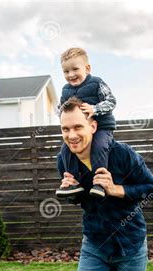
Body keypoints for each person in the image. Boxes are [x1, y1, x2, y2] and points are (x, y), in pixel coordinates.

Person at [57, 97, 153, 271]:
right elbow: (84, 202)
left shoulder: (122, 154)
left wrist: (117, 189)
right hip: (95, 245)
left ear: (93, 125)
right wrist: (72, 192)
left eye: (77, 127)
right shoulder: (64, 161)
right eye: (65, 129)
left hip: (130, 245)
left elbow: (152, 188)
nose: (71, 135)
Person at [55, 47, 117, 199]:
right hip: (81, 131)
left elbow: (111, 101)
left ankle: (100, 183)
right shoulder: (65, 90)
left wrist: (94, 109)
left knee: (99, 146)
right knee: (64, 150)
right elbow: (63, 109)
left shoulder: (96, 83)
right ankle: (73, 182)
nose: (71, 75)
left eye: (75, 69)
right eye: (66, 71)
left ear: (87, 68)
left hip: (102, 127)